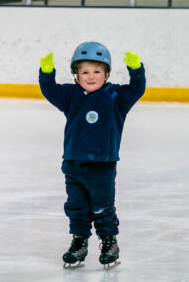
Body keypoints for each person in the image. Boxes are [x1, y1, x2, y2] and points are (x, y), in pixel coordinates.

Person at [38, 42, 146, 269]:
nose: (91, 76)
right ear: (76, 75)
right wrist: (47, 73)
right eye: (84, 71)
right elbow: (50, 91)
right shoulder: (71, 95)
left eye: (97, 71)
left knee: (102, 207)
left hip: (102, 165)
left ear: (106, 74)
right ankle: (79, 242)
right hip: (74, 163)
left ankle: (109, 242)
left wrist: (136, 70)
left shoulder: (116, 96)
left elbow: (137, 89)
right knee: (76, 206)